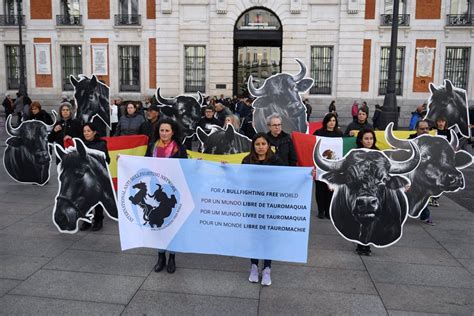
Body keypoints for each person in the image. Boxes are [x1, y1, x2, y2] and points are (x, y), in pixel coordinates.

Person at [242, 133, 282, 286]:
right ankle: (253, 266)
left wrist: (306, 175)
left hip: (270, 205)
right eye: (257, 144)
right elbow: (238, 178)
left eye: (263, 144)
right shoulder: (247, 160)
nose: (260, 147)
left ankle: (267, 268)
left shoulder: (276, 161)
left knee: (268, 237)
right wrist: (225, 168)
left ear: (268, 145)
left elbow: (288, 177)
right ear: (253, 146)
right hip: (252, 204)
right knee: (254, 236)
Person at [149, 118, 188, 274]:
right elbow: (143, 162)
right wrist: (126, 161)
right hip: (156, 191)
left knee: (172, 226)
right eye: (161, 130)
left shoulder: (179, 148)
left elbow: (185, 167)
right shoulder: (152, 146)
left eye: (167, 130)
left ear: (173, 132)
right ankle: (160, 256)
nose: (164, 133)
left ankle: (172, 257)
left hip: (173, 192)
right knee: (159, 226)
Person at [79, 122, 110, 231]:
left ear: (94, 132)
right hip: (84, 176)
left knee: (97, 199)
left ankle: (98, 219)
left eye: (88, 131)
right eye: (84, 131)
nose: (86, 133)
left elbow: (107, 160)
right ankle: (86, 219)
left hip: (97, 176)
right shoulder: (80, 143)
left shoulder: (101, 143)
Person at [354, 128, 379, 256]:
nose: (369, 141)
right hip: (358, 191)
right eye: (366, 138)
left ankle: (367, 245)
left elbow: (388, 172)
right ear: (361, 140)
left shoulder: (379, 154)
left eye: (371, 138)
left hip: (375, 191)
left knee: (372, 218)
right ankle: (360, 244)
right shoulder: (354, 154)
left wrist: (403, 185)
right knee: (359, 219)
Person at [313, 113, 343, 219]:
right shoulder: (318, 133)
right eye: (330, 120)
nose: (332, 123)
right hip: (320, 167)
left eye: (334, 120)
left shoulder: (339, 134)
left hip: (333, 168)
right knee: (320, 190)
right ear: (326, 121)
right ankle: (321, 210)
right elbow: (311, 145)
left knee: (331, 189)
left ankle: (328, 211)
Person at [409, 120, 435, 225]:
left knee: (424, 194)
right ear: (417, 129)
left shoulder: (434, 142)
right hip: (410, 173)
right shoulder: (409, 141)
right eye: (422, 129)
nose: (425, 131)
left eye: (427, 128)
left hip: (425, 173)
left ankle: (425, 216)